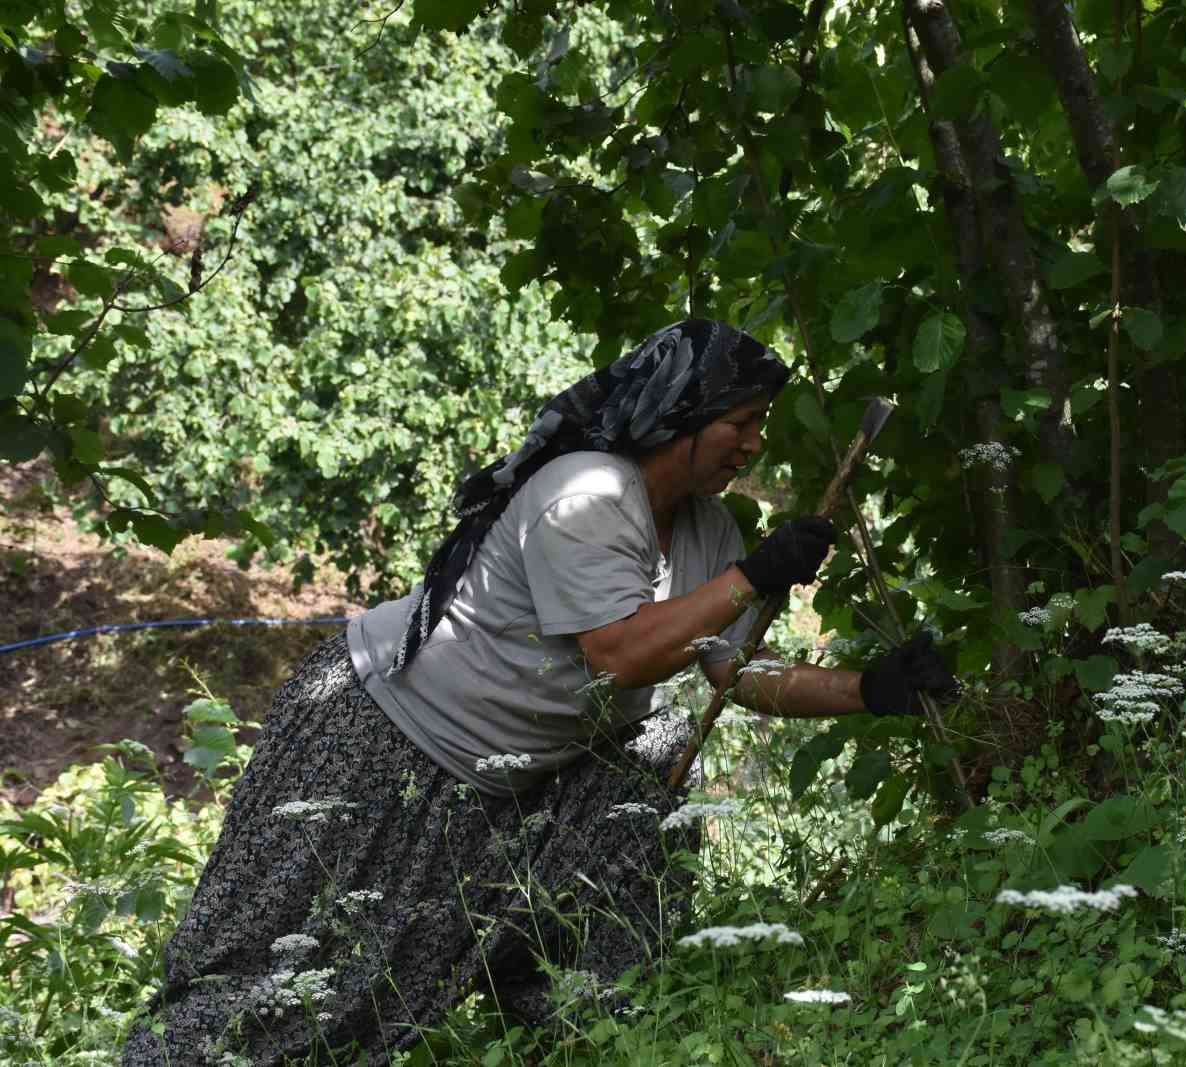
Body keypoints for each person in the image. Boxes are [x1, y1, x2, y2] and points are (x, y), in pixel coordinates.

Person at [121, 318, 957, 1066]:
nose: (752, 446)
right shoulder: (587, 491)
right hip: (379, 741)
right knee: (273, 987)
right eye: (739, 425)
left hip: (514, 778)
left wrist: (870, 688)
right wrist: (754, 575)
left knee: (651, 765)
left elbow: (730, 673)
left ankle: (592, 1029)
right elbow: (619, 654)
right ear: (681, 419)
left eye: (758, 429)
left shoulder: (710, 530)